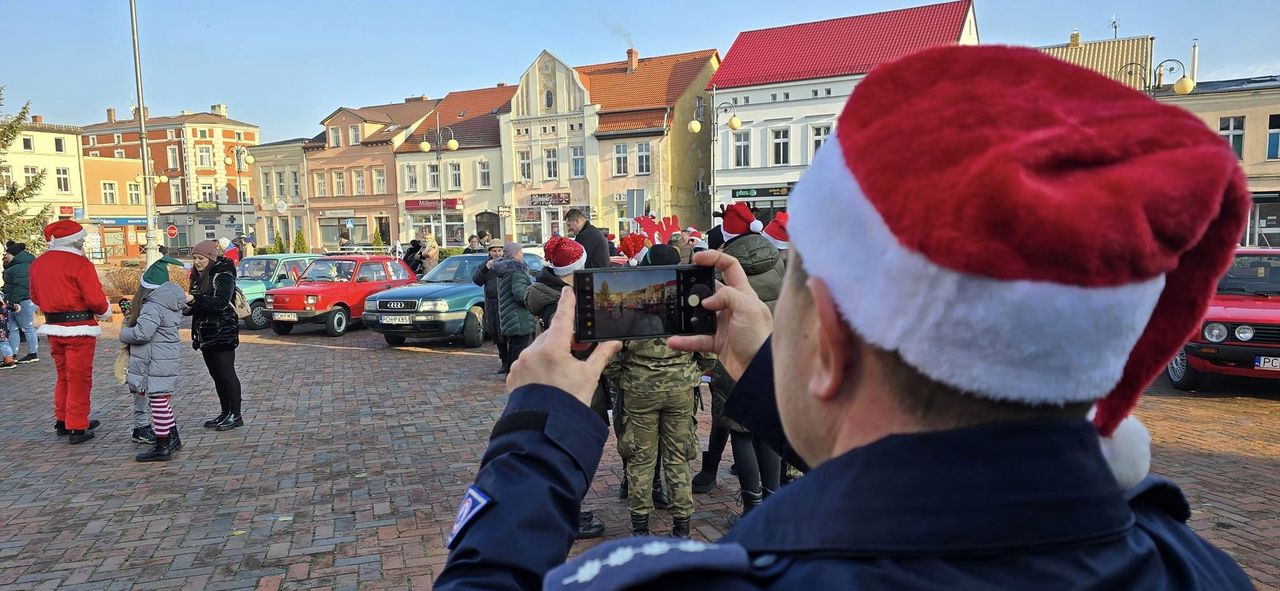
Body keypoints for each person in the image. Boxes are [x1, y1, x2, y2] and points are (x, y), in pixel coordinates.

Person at [433, 46, 1254, 590]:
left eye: (791, 287)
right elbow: (933, 476)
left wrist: (532, 444)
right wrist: (771, 375)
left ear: (827, 336)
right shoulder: (1198, 566)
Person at [603, 244, 716, 539]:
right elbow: (709, 351)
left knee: (641, 458)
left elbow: (611, 355)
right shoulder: (691, 300)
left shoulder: (629, 302)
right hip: (680, 388)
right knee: (678, 457)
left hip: (639, 389)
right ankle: (682, 527)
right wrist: (691, 372)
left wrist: (626, 377)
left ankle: (640, 527)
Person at [700, 203, 786, 522]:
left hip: (736, 353)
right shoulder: (775, 256)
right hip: (773, 350)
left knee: (741, 430)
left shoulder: (725, 266)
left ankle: (752, 508)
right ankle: (774, 503)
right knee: (768, 429)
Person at [524, 236, 607, 539]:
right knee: (573, 454)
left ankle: (564, 509)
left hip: (568, 384)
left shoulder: (557, 292)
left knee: (568, 452)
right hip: (572, 386)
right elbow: (576, 343)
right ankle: (567, 515)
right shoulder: (561, 301)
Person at [29, 221, 109, 444]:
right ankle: (77, 425)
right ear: (75, 240)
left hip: (53, 327)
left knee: (63, 376)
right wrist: (104, 311)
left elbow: (34, 297)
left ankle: (63, 419)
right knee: (79, 378)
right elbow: (95, 299)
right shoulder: (80, 263)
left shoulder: (38, 263)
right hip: (79, 328)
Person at [120, 257, 187, 462]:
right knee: (162, 400)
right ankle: (172, 437)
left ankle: (162, 444)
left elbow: (142, 333)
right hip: (164, 357)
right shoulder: (168, 302)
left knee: (157, 400)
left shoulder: (153, 305)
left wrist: (124, 334)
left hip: (154, 358)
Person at [187, 240, 244, 431]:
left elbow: (220, 302)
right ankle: (225, 412)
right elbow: (197, 305)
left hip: (222, 331)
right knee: (216, 375)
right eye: (194, 258)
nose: (197, 262)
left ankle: (235, 415)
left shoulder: (223, 274)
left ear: (210, 258)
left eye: (200, 258)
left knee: (227, 374)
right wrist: (187, 305)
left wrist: (196, 300)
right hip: (205, 333)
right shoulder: (197, 277)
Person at [493, 242, 535, 370]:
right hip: (519, 317)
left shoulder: (505, 270)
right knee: (520, 348)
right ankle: (516, 376)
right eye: (520, 251)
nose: (522, 254)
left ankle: (511, 374)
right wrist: (533, 298)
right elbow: (520, 294)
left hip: (509, 315)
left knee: (513, 346)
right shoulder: (516, 271)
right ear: (515, 254)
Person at [473, 241, 508, 371]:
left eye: (499, 250)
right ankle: (504, 361)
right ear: (489, 252)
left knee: (507, 334)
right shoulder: (485, 265)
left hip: (505, 302)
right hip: (492, 303)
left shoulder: (508, 263)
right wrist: (485, 268)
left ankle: (510, 362)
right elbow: (477, 280)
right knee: (496, 333)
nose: (497, 254)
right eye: (494, 251)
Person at [3, 242, 39, 364]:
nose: (5, 255)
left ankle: (32, 353)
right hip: (16, 301)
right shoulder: (16, 265)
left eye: (7, 253)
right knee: (12, 328)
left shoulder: (20, 267)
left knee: (27, 328)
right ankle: (12, 355)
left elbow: (21, 286)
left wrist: (13, 302)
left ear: (14, 254)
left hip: (23, 301)